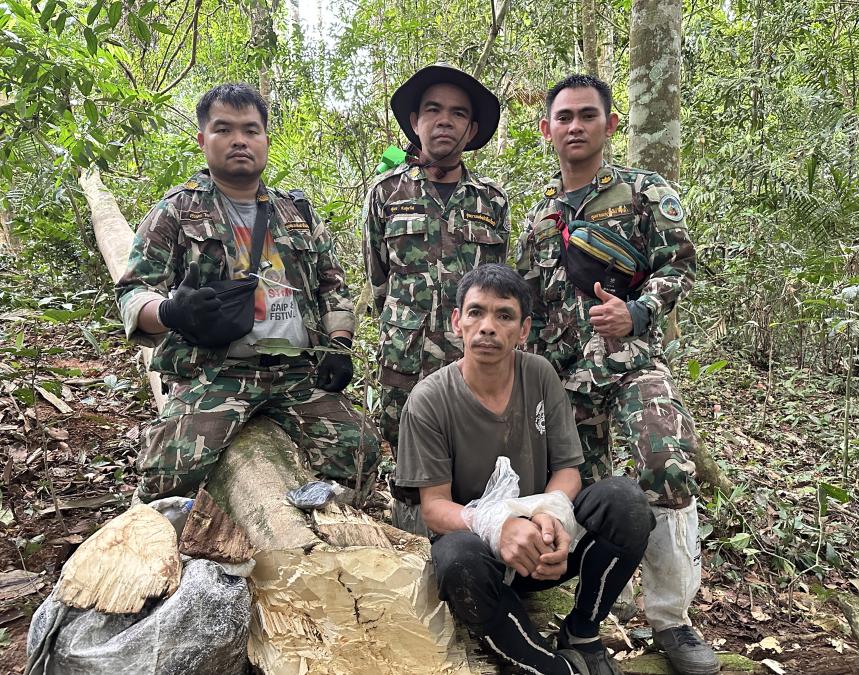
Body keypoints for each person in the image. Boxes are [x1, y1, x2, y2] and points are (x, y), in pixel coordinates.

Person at [515, 74, 720, 675]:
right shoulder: (539, 219)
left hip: (631, 365)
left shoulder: (643, 192)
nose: (575, 126)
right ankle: (585, 620)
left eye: (587, 115)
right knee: (586, 495)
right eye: (563, 117)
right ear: (546, 129)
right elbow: (526, 305)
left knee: (665, 464)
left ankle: (672, 620)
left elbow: (679, 263)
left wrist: (638, 311)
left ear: (608, 124)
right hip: (564, 384)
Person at [116, 83, 381, 502]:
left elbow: (332, 283)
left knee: (361, 448)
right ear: (203, 140)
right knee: (168, 473)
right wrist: (170, 312)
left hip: (296, 372)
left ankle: (327, 525)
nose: (239, 140)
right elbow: (134, 290)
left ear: (265, 140)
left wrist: (339, 345)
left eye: (251, 130)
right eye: (224, 129)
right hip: (216, 371)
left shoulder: (296, 211)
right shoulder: (176, 210)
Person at [394, 264, 652, 675]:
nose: (488, 327)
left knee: (626, 502)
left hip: (543, 548)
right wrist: (497, 526)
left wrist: (551, 515)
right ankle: (546, 666)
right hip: (481, 558)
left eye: (504, 315)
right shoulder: (429, 400)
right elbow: (435, 508)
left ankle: (583, 632)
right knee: (457, 558)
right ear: (457, 322)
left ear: (524, 329)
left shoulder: (539, 374)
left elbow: (568, 470)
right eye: (476, 312)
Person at [362, 64, 510, 532]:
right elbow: (378, 278)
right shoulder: (386, 192)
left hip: (474, 359)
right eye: (433, 110)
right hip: (404, 357)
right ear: (415, 121)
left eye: (457, 113)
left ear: (472, 129)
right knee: (409, 467)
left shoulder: (491, 201)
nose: (444, 120)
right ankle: (412, 553)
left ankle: (473, 547)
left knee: (476, 458)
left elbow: (500, 285)